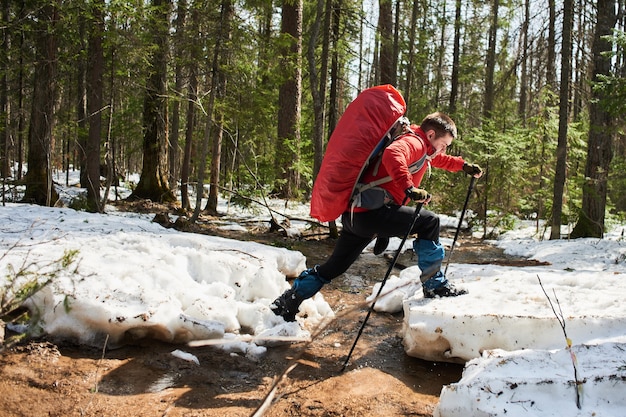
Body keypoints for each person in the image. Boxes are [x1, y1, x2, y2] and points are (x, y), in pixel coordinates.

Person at [271, 112, 483, 322]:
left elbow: (437, 159)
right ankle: (434, 285)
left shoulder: (420, 145)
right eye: (443, 144)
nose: (443, 149)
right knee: (430, 222)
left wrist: (462, 166)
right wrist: (408, 188)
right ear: (430, 135)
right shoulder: (414, 142)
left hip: (357, 215)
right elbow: (393, 154)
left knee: (334, 267)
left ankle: (286, 302)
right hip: (372, 215)